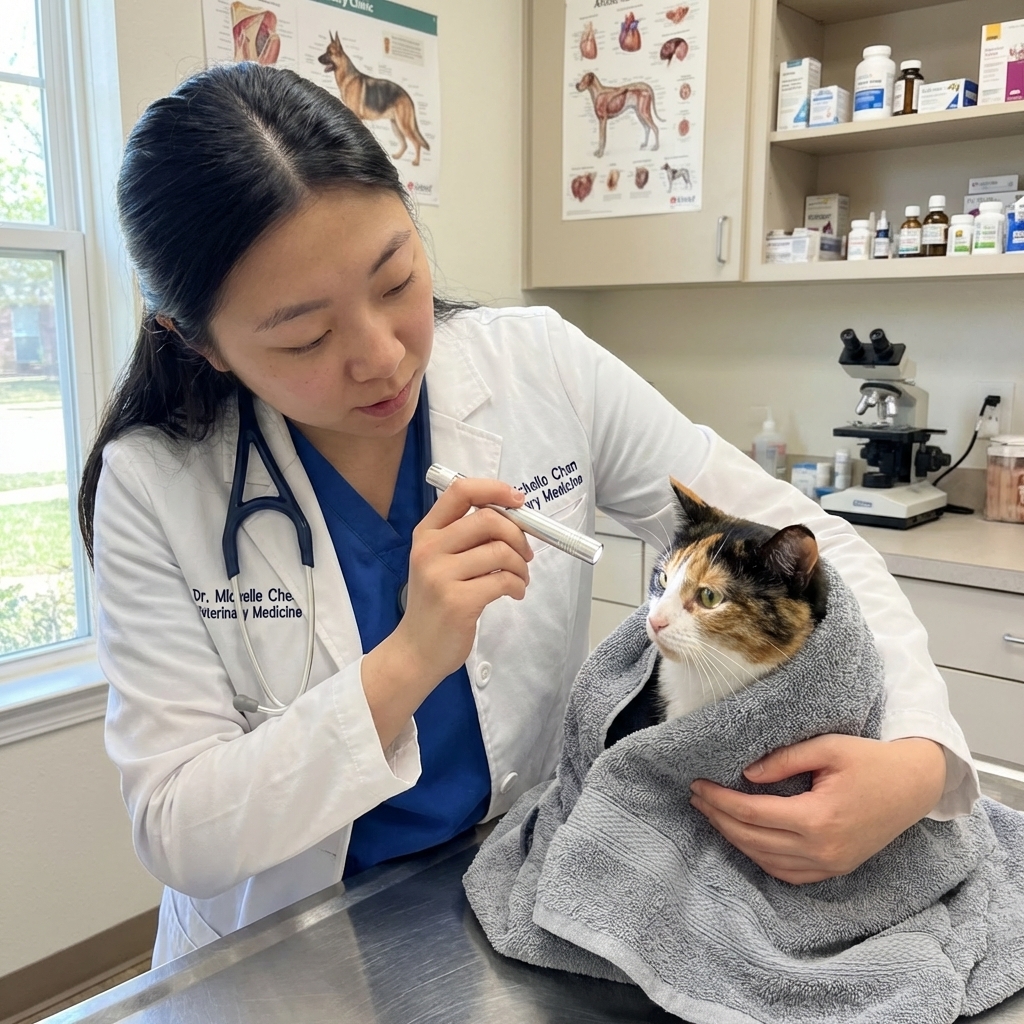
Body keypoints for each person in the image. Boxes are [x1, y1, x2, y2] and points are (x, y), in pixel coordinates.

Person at [79, 63, 977, 967]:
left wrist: (918, 760)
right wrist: (409, 661)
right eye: (307, 337)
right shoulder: (155, 484)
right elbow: (179, 829)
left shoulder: (538, 366)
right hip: (284, 944)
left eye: (396, 281)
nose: (385, 357)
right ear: (198, 341)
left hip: (512, 888)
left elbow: (820, 552)